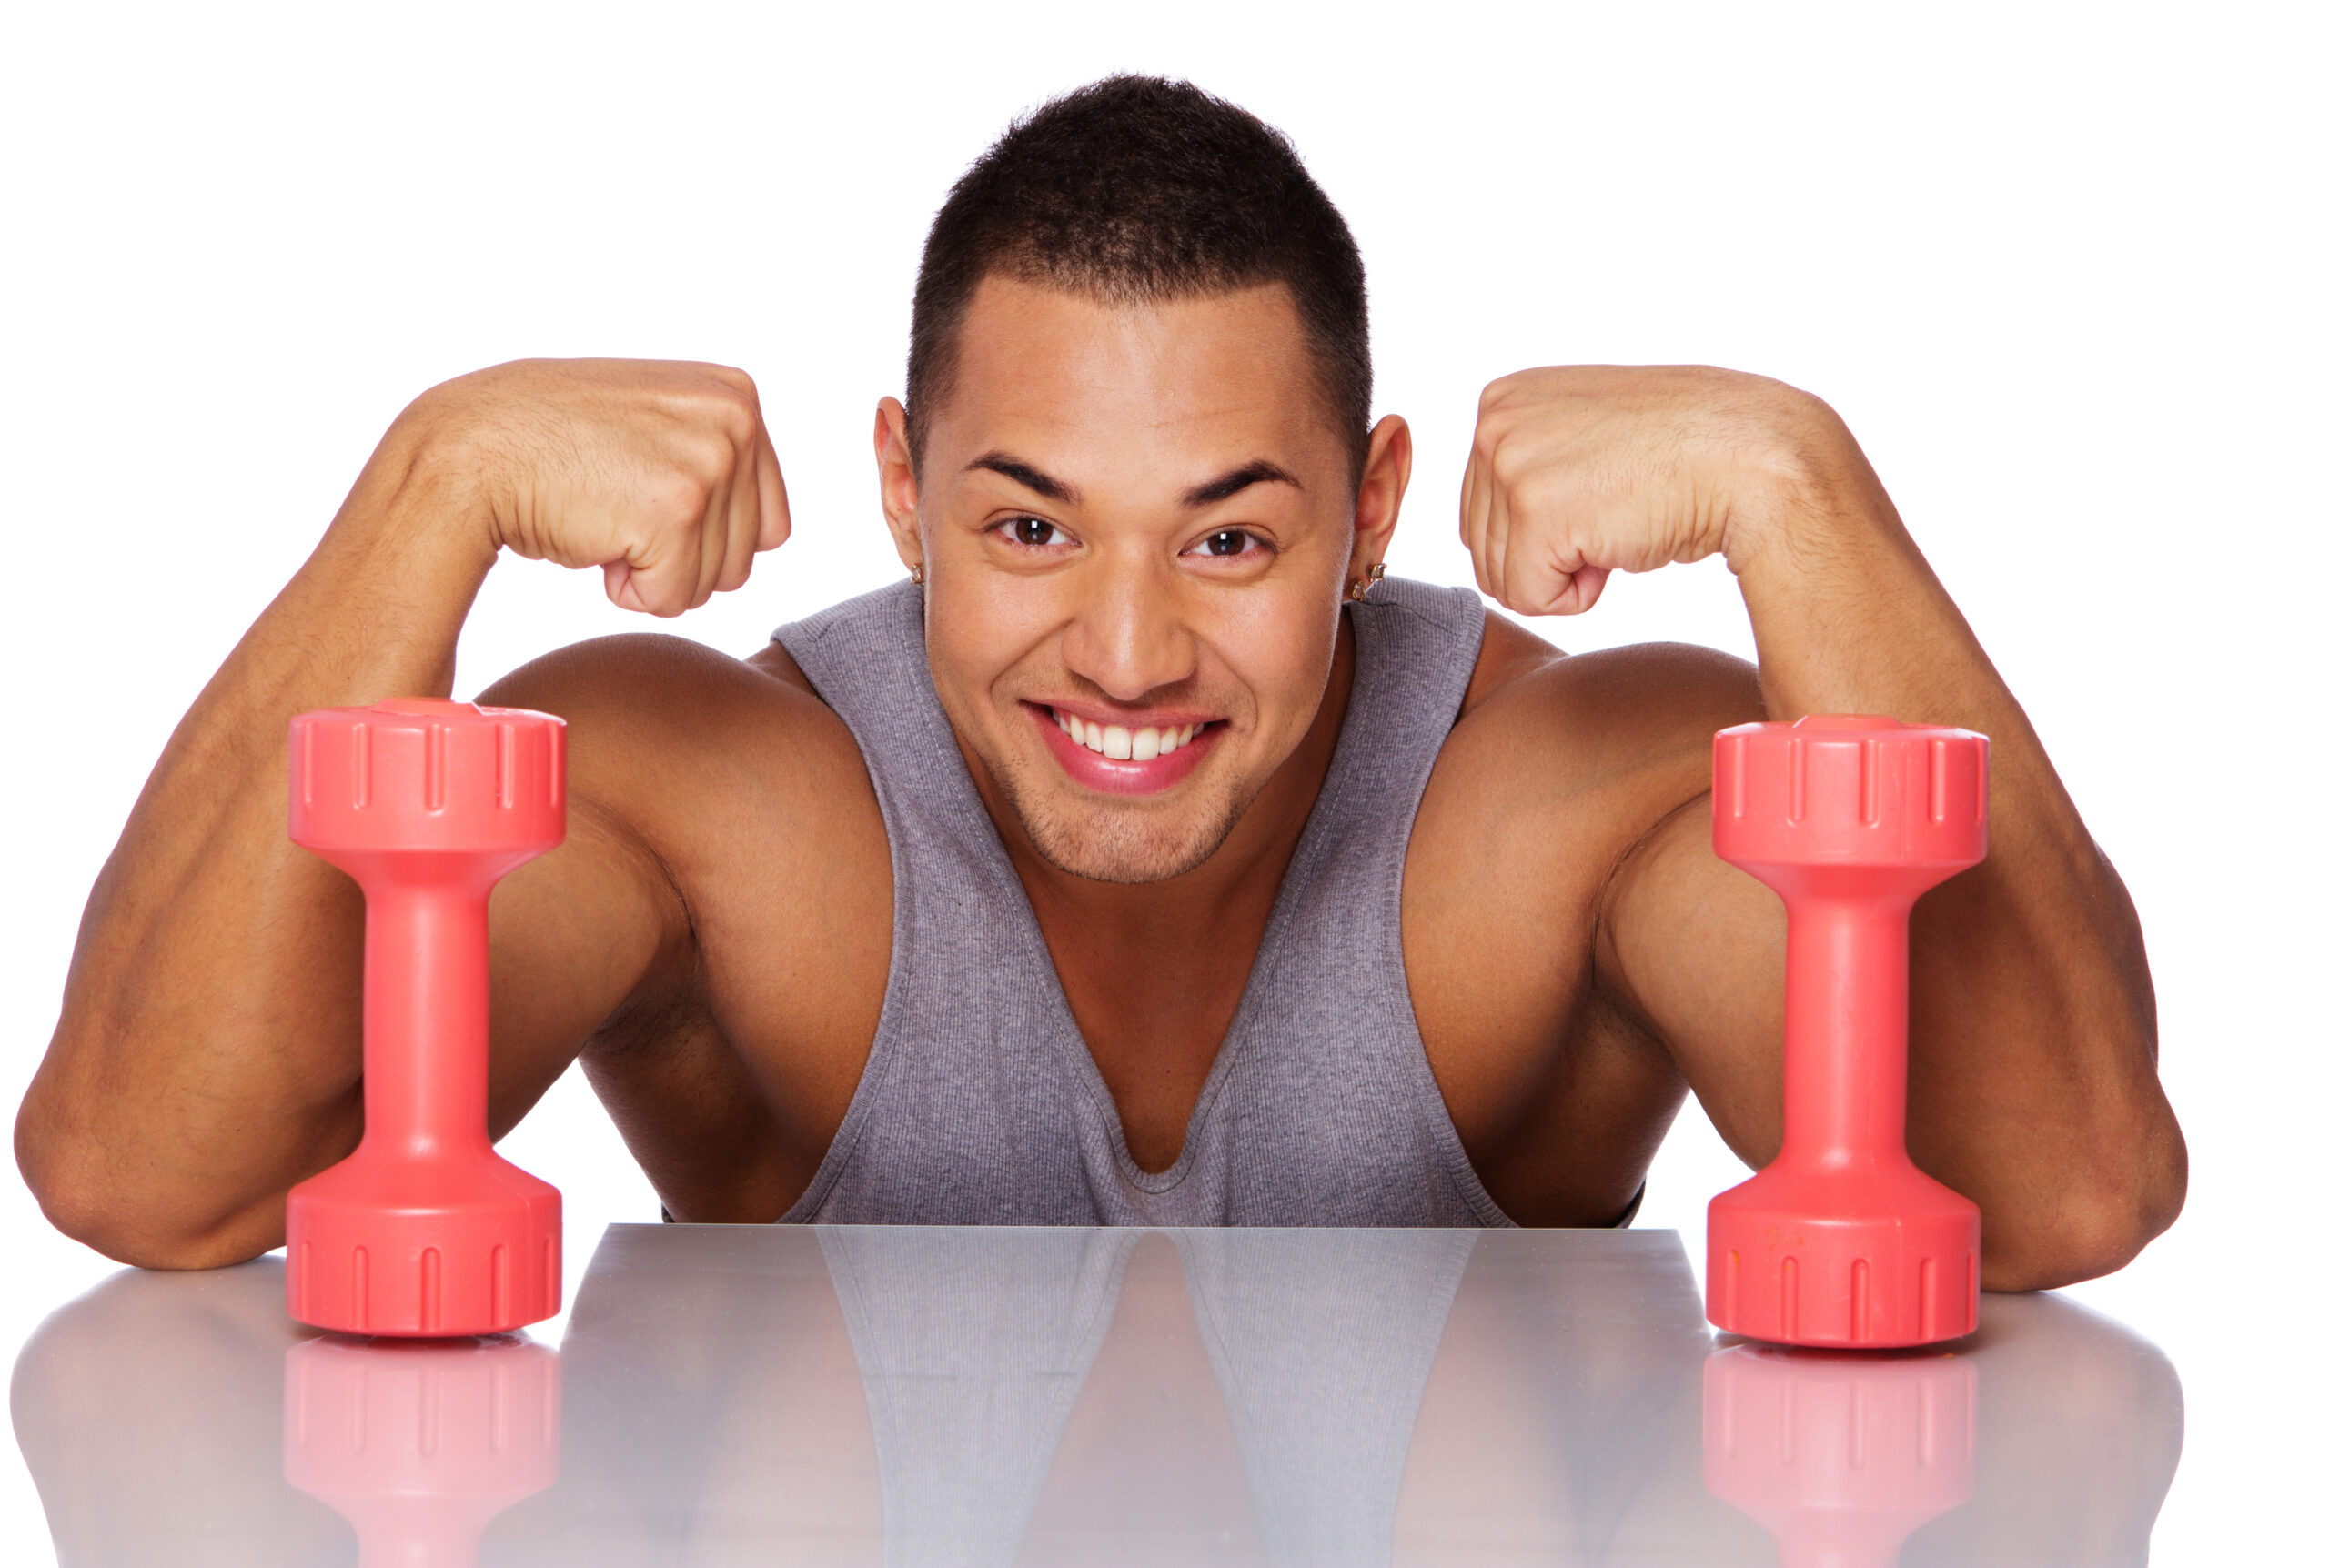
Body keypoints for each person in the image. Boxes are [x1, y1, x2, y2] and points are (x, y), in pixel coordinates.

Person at [19, 76, 2182, 1287]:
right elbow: (142, 1173)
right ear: (898, 484)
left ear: (1372, 506)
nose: (1128, 654)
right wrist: (429, 484)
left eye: (1230, 535)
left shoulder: (1558, 800)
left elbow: (2068, 1187)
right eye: (1029, 526)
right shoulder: (733, 803)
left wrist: (1804, 490)